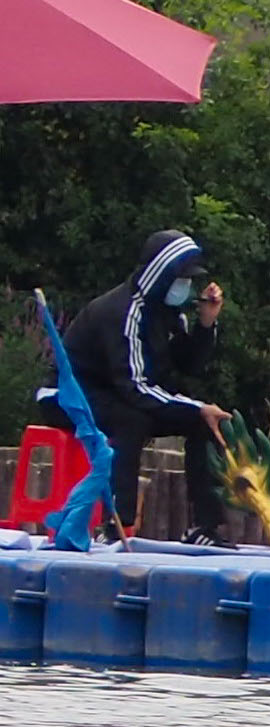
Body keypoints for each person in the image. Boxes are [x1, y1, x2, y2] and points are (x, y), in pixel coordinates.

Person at [29, 230, 234, 545]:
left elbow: (186, 368)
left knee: (202, 421)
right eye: (181, 279)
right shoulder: (125, 312)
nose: (186, 286)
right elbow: (135, 386)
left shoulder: (168, 314)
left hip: (117, 392)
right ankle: (117, 524)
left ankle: (207, 526)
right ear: (160, 275)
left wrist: (206, 325)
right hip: (68, 394)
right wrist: (193, 405)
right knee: (131, 418)